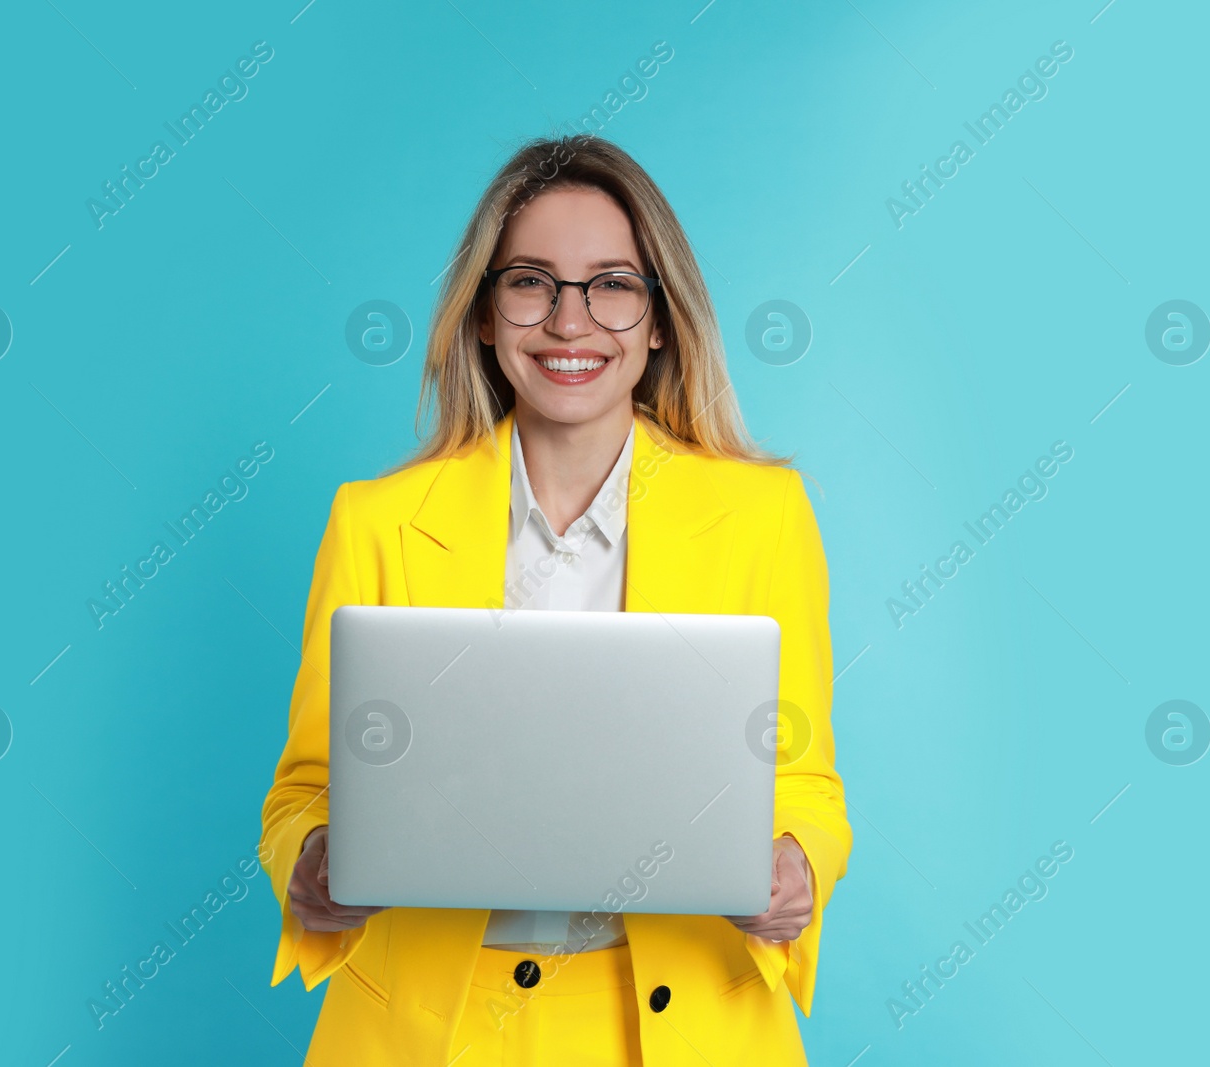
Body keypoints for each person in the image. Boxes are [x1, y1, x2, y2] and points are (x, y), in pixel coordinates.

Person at [259, 134, 851, 1066]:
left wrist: (796, 863)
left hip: (684, 1023)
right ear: (486, 316)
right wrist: (312, 864)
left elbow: (806, 781)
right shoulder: (375, 522)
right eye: (531, 281)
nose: (571, 323)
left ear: (659, 320)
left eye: (612, 285)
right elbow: (303, 790)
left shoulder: (762, 516)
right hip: (432, 1029)